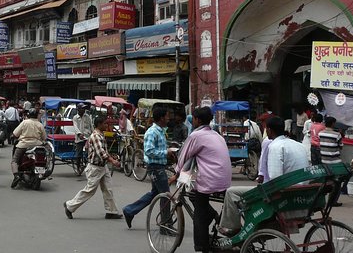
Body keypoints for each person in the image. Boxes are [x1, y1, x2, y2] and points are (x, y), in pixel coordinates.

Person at [218, 116, 309, 237]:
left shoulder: (275, 146)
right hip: (301, 194)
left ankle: (233, 229)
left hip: (283, 196)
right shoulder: (299, 145)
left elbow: (275, 179)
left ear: (269, 130)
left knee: (231, 192)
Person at [170, 107, 231, 253]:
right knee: (194, 195)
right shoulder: (217, 135)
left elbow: (183, 156)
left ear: (197, 120)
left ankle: (202, 247)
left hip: (209, 179)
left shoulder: (196, 136)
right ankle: (212, 215)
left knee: (199, 212)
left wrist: (176, 173)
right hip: (224, 179)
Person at [122, 107, 175, 229]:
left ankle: (129, 210)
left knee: (154, 194)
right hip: (155, 168)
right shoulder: (152, 132)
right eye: (167, 116)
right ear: (161, 118)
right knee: (165, 195)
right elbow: (149, 151)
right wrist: (165, 152)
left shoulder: (161, 131)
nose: (168, 118)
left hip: (159, 166)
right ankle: (165, 224)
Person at [64, 116, 123, 220]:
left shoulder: (101, 134)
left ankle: (111, 211)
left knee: (108, 189)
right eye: (105, 123)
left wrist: (111, 157)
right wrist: (112, 161)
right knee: (89, 190)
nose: (106, 125)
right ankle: (70, 206)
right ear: (99, 124)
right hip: (95, 168)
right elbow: (101, 153)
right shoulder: (95, 136)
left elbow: (104, 151)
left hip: (102, 166)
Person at [10, 108, 47, 188]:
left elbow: (15, 133)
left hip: (23, 145)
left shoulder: (25, 122)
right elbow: (44, 138)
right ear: (37, 115)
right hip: (37, 145)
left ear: (28, 115)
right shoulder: (40, 124)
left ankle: (16, 175)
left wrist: (13, 136)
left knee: (15, 160)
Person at [318, 116, 343, 206]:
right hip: (335, 162)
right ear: (333, 124)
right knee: (337, 182)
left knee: (326, 182)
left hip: (325, 161)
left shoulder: (320, 134)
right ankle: (333, 201)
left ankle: (323, 200)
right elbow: (340, 146)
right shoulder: (337, 135)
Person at [72, 104, 93, 170]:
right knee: (79, 153)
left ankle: (87, 162)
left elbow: (91, 126)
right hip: (79, 137)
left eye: (84, 108)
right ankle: (78, 166)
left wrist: (93, 134)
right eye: (82, 108)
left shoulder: (87, 117)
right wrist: (79, 134)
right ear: (78, 109)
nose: (83, 110)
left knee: (90, 151)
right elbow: (75, 127)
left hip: (87, 136)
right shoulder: (75, 117)